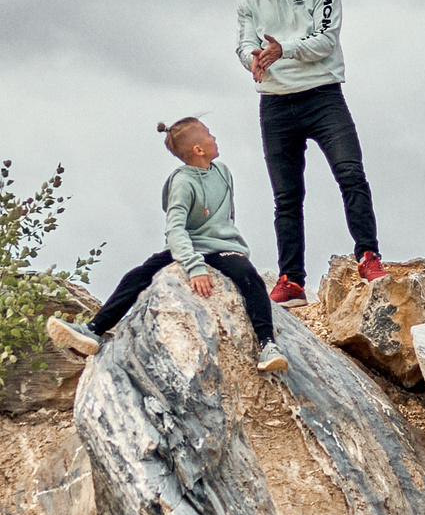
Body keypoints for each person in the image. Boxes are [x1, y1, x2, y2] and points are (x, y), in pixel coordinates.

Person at [46, 116, 288, 370]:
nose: (214, 137)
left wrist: (233, 247)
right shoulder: (182, 182)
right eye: (209, 134)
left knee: (250, 279)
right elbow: (175, 229)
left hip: (223, 247)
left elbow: (227, 217)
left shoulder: (223, 172)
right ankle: (93, 330)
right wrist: (194, 266)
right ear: (198, 149)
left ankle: (268, 345)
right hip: (188, 246)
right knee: (139, 276)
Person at [234, 0, 382, 305]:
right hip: (275, 102)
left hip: (323, 96)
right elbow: (244, 42)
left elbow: (326, 40)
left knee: (350, 174)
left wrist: (284, 50)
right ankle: (291, 280)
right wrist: (252, 58)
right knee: (286, 197)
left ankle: (368, 256)